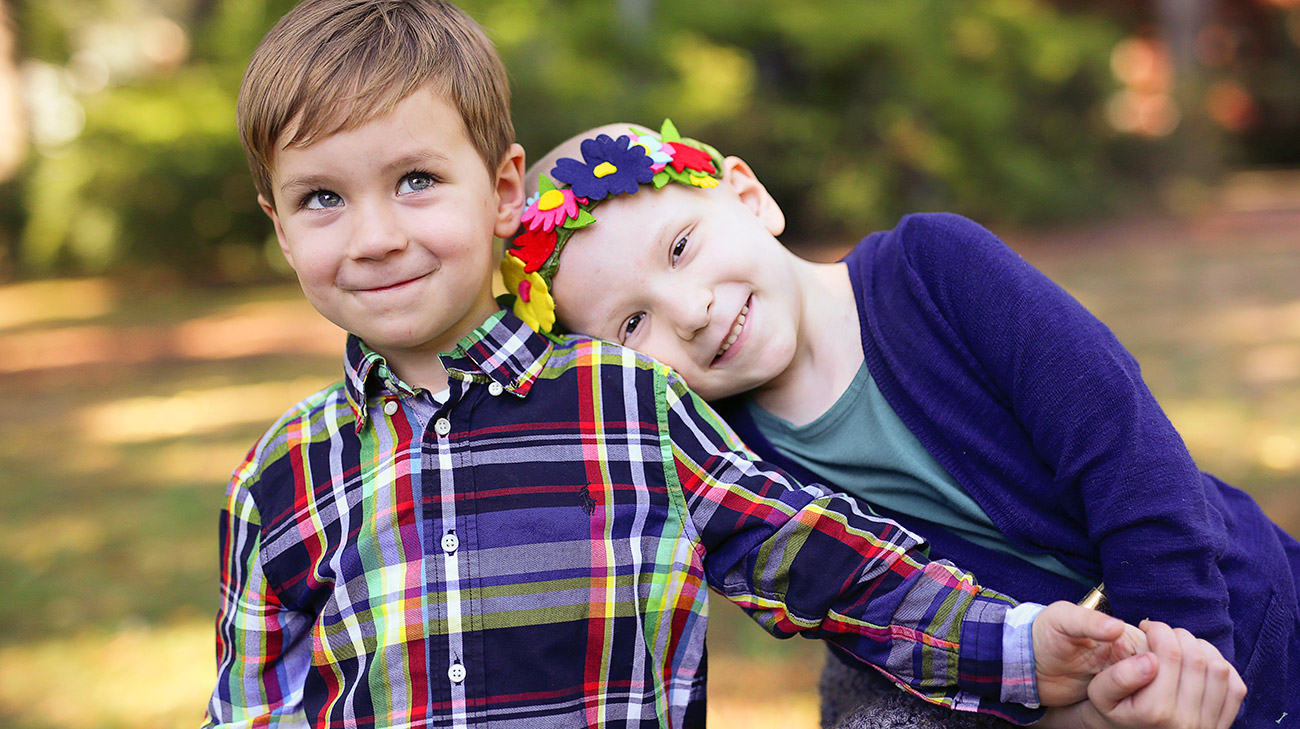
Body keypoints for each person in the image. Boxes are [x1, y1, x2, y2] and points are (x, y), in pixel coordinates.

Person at [205, 2, 1189, 727]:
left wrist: (1015, 647)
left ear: (503, 191)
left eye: (415, 181)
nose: (374, 236)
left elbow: (834, 571)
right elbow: (252, 705)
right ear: (280, 232)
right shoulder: (278, 481)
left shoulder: (627, 405)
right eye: (321, 199)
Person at [513, 119, 1289, 727]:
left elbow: (1125, 447)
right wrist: (1083, 715)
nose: (690, 310)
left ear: (749, 198)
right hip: (1075, 695)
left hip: (1235, 607)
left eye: (681, 246)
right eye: (632, 325)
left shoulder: (934, 269)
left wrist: (1183, 648)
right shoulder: (734, 476)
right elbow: (883, 628)